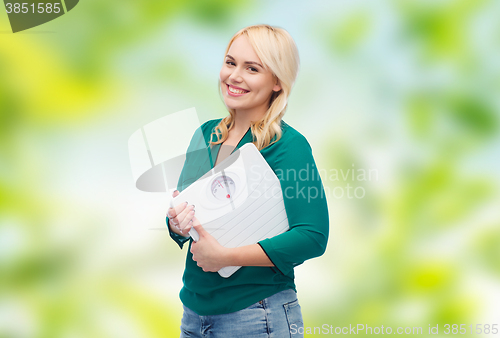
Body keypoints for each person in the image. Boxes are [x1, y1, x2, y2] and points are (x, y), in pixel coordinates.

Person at [166, 24, 329, 338]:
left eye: (252, 68)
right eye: (230, 63)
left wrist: (226, 258)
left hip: (257, 314)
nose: (234, 76)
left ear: (277, 83)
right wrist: (177, 223)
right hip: (194, 314)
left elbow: (312, 236)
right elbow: (186, 216)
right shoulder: (206, 134)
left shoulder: (287, 145)